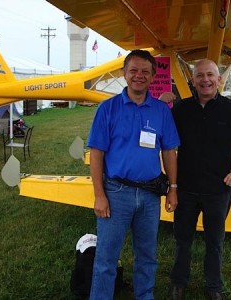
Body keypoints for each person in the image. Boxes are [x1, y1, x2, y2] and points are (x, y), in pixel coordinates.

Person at [167, 59, 231, 300]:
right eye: (199, 75)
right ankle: (178, 283)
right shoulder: (180, 110)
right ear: (192, 81)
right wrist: (161, 104)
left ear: (219, 79)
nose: (205, 80)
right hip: (186, 190)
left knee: (215, 242)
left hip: (218, 192)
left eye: (210, 75)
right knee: (183, 240)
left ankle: (213, 286)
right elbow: (163, 139)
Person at [87, 49, 180, 300]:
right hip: (116, 193)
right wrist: (99, 195)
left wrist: (173, 188)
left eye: (145, 72)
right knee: (106, 257)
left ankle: (145, 296)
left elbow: (169, 151)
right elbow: (96, 154)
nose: (139, 76)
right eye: (134, 70)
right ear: (125, 74)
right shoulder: (108, 109)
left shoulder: (161, 111)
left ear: (152, 77)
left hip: (150, 196)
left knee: (147, 255)